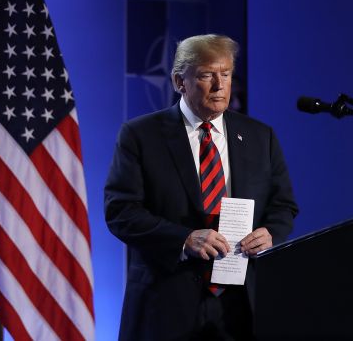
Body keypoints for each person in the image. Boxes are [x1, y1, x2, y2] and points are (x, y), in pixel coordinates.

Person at [104, 34, 298, 340]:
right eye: (207, 75)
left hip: (240, 306)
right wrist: (183, 239)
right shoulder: (141, 135)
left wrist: (271, 232)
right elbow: (121, 211)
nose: (219, 86)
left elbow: (283, 205)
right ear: (179, 81)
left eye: (226, 74)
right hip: (166, 302)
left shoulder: (261, 137)